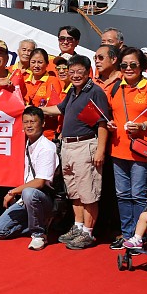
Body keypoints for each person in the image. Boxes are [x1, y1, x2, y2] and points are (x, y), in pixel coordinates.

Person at [41, 55, 110, 250]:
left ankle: (88, 232)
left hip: (86, 145)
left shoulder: (95, 92)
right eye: (72, 72)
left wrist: (100, 151)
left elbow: (102, 123)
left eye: (80, 72)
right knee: (74, 191)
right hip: (69, 147)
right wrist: (38, 110)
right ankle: (78, 226)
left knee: (88, 192)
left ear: (89, 72)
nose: (75, 75)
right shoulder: (73, 91)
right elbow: (59, 109)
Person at [105, 47, 147, 250]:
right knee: (122, 195)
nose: (129, 68)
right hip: (118, 149)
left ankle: (139, 235)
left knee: (138, 194)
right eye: (124, 65)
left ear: (142, 66)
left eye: (133, 64)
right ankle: (127, 235)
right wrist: (108, 124)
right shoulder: (116, 88)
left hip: (142, 149)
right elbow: (108, 113)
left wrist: (142, 125)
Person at [0, 106, 60, 250]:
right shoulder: (24, 144)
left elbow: (40, 182)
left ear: (42, 123)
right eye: (26, 122)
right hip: (25, 201)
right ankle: (39, 223)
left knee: (29, 192)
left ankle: (38, 234)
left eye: (33, 122)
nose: (29, 125)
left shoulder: (46, 148)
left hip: (44, 198)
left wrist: (12, 192)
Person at [23, 47, 63, 139]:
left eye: (40, 62)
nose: (36, 65)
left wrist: (34, 109)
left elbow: (56, 108)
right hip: (25, 133)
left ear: (47, 64)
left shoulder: (52, 81)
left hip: (46, 133)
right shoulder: (23, 79)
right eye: (33, 62)